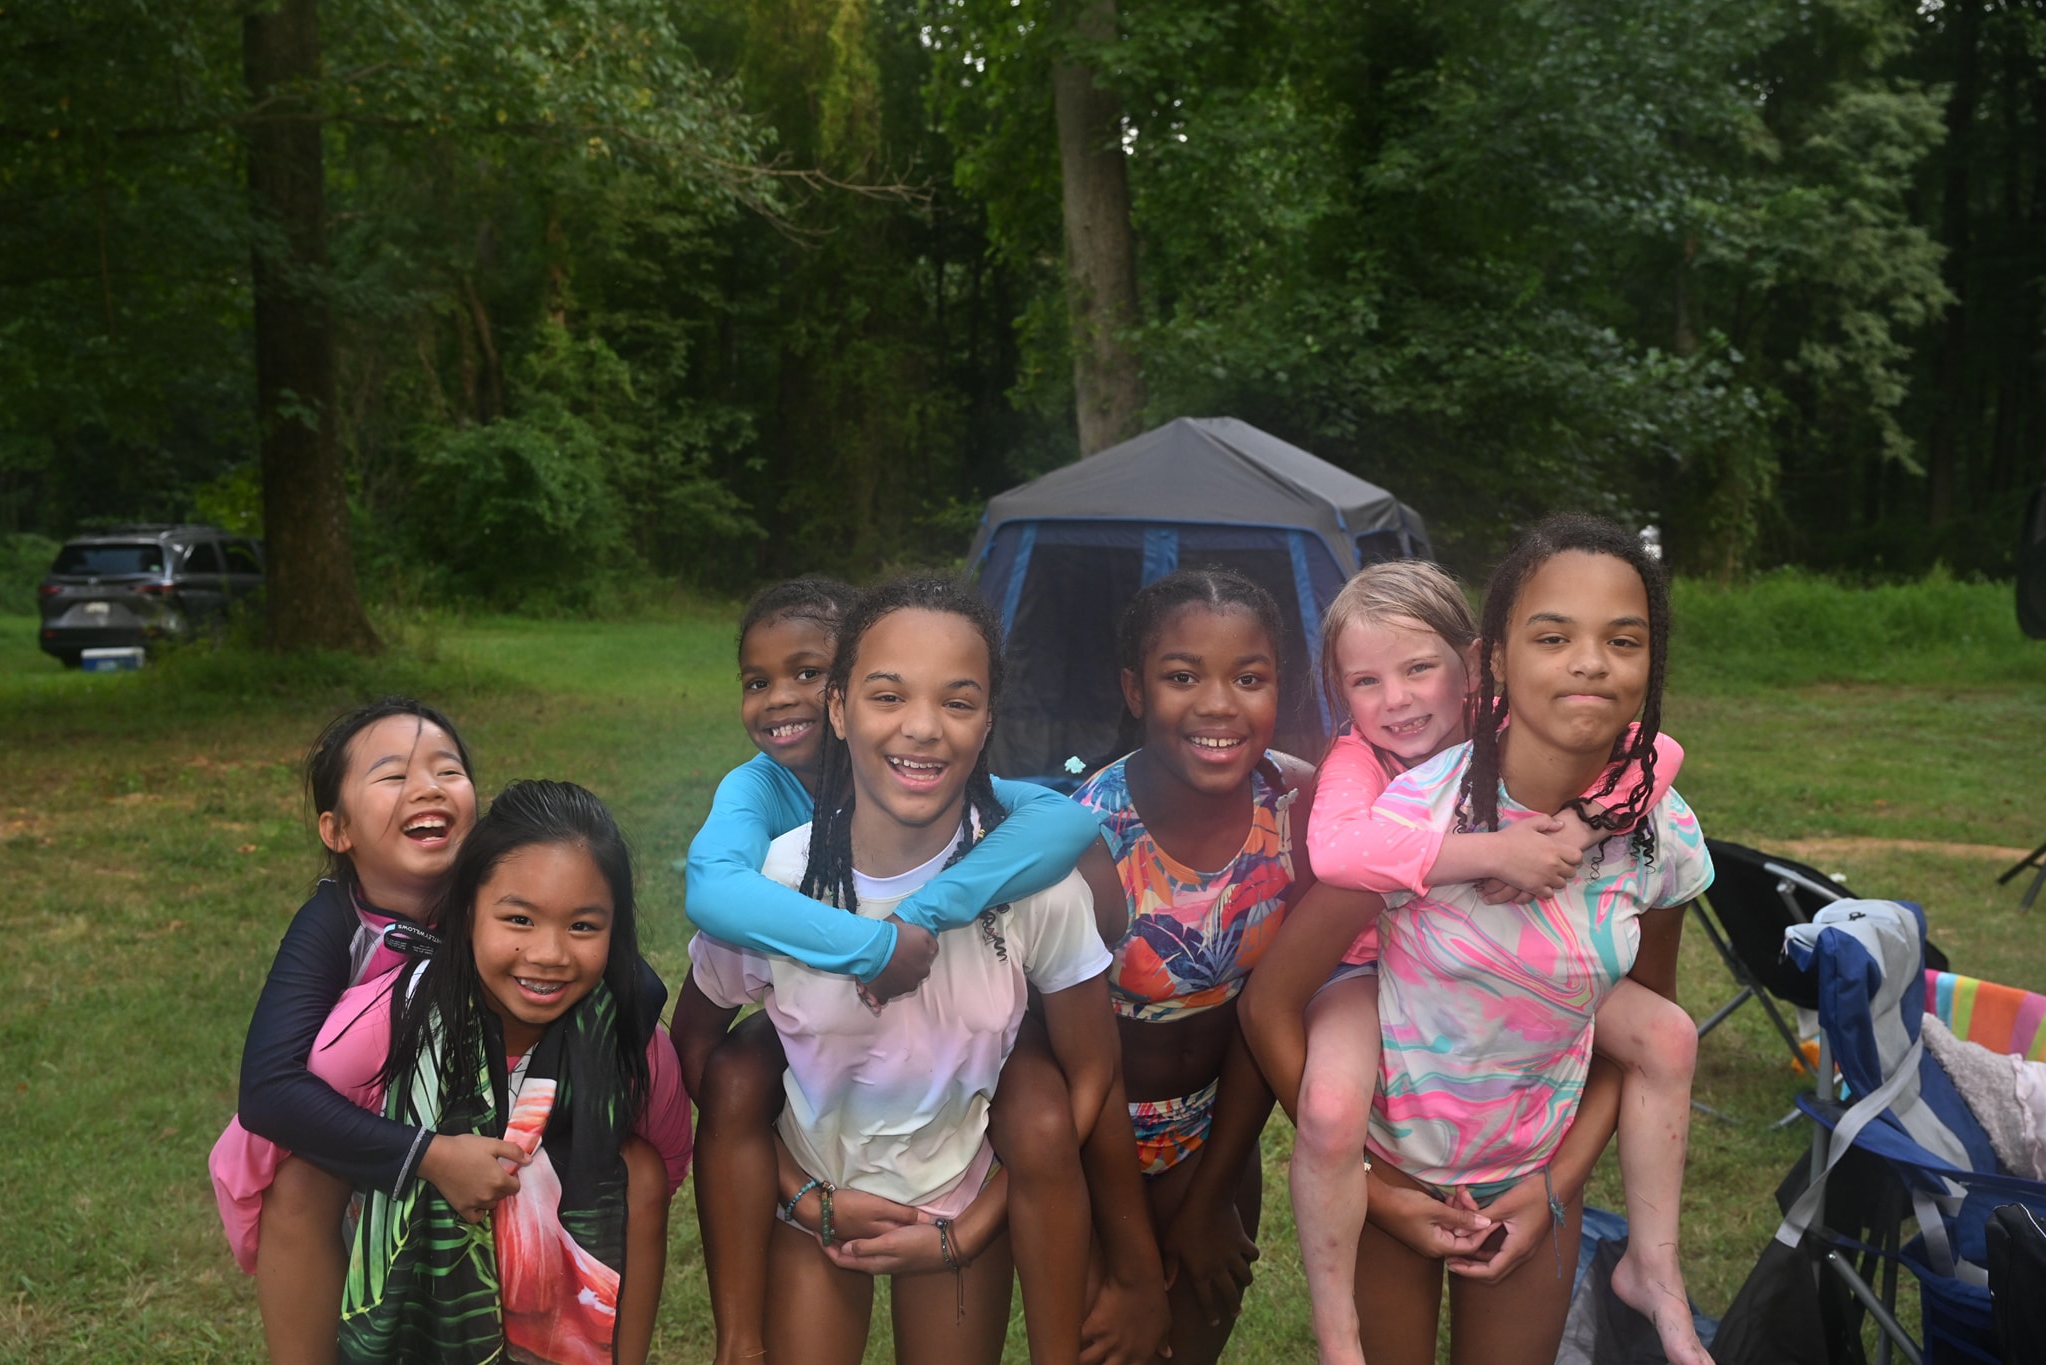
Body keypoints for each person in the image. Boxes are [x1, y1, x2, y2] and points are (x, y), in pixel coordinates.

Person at [681, 578, 1166, 1365]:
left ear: (988, 722)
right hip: (818, 1194)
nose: (923, 728)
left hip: (960, 1201)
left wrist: (971, 1227)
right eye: (887, 695)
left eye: (958, 701)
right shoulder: (774, 879)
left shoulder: (1033, 883)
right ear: (838, 710)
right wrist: (801, 1196)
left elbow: (1089, 1077)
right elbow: (699, 1051)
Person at [1237, 559, 1700, 1365]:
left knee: (1668, 1034)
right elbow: (1342, 850)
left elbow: (1659, 748)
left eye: (1420, 668)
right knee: (1332, 1110)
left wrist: (1581, 827)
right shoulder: (1367, 765)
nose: (1400, 699)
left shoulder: (1519, 738)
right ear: (1341, 695)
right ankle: (1337, 1335)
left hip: (1524, 1092)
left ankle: (1653, 1260)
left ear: (1475, 663)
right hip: (1367, 973)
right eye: (1367, 681)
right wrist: (1494, 852)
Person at [208, 701, 676, 1365]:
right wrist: (426, 1153)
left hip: (510, 1104)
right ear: (336, 828)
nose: (427, 787)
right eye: (393, 775)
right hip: (361, 1123)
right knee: (304, 1183)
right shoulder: (330, 924)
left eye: (446, 768)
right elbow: (268, 1092)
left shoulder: (509, 886)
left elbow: (631, 984)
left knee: (630, 1168)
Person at [1071, 566, 1375, 1365]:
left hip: (1218, 1136)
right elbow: (1075, 1053)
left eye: (1249, 677)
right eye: (1182, 676)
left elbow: (1271, 1004)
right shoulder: (1087, 838)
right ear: (1135, 689)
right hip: (1086, 1141)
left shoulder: (1300, 812)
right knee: (1108, 1339)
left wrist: (1209, 1196)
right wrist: (1134, 1266)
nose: (1217, 703)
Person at [328, 779, 691, 1363]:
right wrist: (430, 1161)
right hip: (397, 1237)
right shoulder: (389, 1020)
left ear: (615, 930)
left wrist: (549, 1199)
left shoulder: (630, 1041)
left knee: (639, 1170)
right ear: (468, 909)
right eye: (519, 920)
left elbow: (668, 1164)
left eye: (582, 927)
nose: (549, 954)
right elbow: (293, 1125)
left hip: (555, 1261)